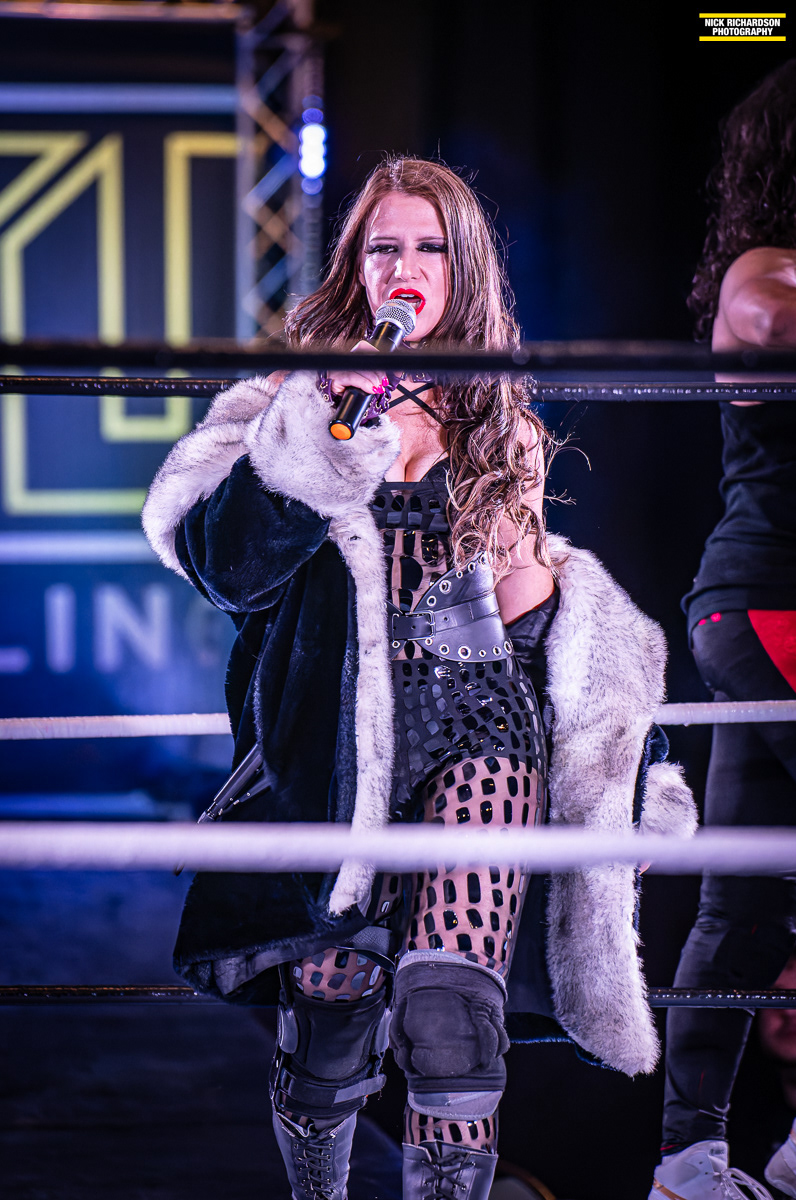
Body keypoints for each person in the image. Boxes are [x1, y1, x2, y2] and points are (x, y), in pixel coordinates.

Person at [142, 157, 694, 1200]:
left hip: (480, 720)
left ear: (460, 269)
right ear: (355, 265)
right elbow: (227, 570)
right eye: (383, 245)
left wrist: (626, 750)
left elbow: (534, 617)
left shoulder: (498, 418)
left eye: (429, 247)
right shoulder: (283, 402)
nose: (405, 266)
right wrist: (322, 430)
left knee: (452, 1020)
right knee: (332, 1010)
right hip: (332, 739)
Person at [649, 60, 796, 1200]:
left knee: (744, 900)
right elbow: (768, 321)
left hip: (766, 610)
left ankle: (688, 1164)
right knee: (741, 898)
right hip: (767, 606)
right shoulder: (765, 269)